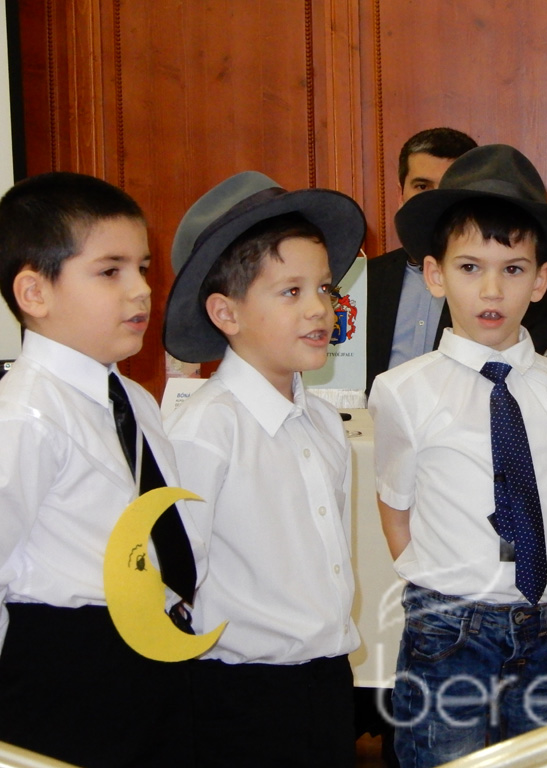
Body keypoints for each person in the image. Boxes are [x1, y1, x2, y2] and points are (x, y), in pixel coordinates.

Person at [368, 144, 547, 768]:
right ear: (435, 274)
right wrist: (438, 580)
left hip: (544, 625)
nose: (491, 289)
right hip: (449, 626)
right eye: (470, 267)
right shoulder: (404, 390)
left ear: (541, 280)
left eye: (513, 269)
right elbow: (395, 505)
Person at [0, 172, 204, 767]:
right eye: (110, 271)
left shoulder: (133, 399)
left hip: (150, 653)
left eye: (142, 268)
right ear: (35, 292)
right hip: (65, 665)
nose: (141, 290)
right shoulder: (25, 414)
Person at [162, 171, 365, 767]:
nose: (320, 309)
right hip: (238, 694)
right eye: (290, 292)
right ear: (225, 312)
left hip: (326, 681)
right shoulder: (206, 429)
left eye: (324, 288)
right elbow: (172, 579)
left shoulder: (324, 423)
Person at [366, 127, 547, 393]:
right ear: (401, 194)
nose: (492, 291)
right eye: (422, 186)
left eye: (450, 188)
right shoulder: (365, 279)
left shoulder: (523, 287)